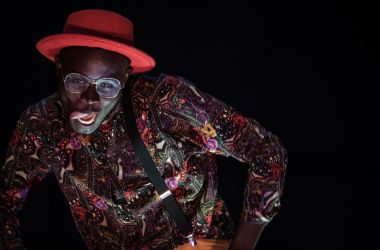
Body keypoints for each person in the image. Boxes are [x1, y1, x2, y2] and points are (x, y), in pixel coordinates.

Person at [0, 9, 287, 250]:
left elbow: (266, 151)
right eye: (77, 81)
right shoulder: (41, 124)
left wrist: (243, 246)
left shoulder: (165, 102)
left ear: (125, 78)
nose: (90, 100)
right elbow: (5, 197)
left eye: (107, 86)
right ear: (59, 68)